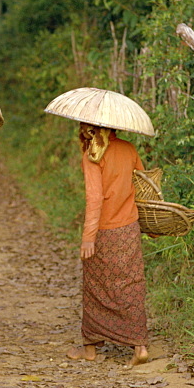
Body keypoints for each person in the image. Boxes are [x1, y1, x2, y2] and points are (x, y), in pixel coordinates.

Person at [66, 122, 150, 367]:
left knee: (95, 287)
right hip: (129, 229)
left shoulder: (93, 154)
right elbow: (143, 188)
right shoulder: (129, 149)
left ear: (89, 128)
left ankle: (90, 348)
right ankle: (139, 346)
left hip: (104, 232)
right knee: (131, 284)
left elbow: (94, 198)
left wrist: (88, 237)